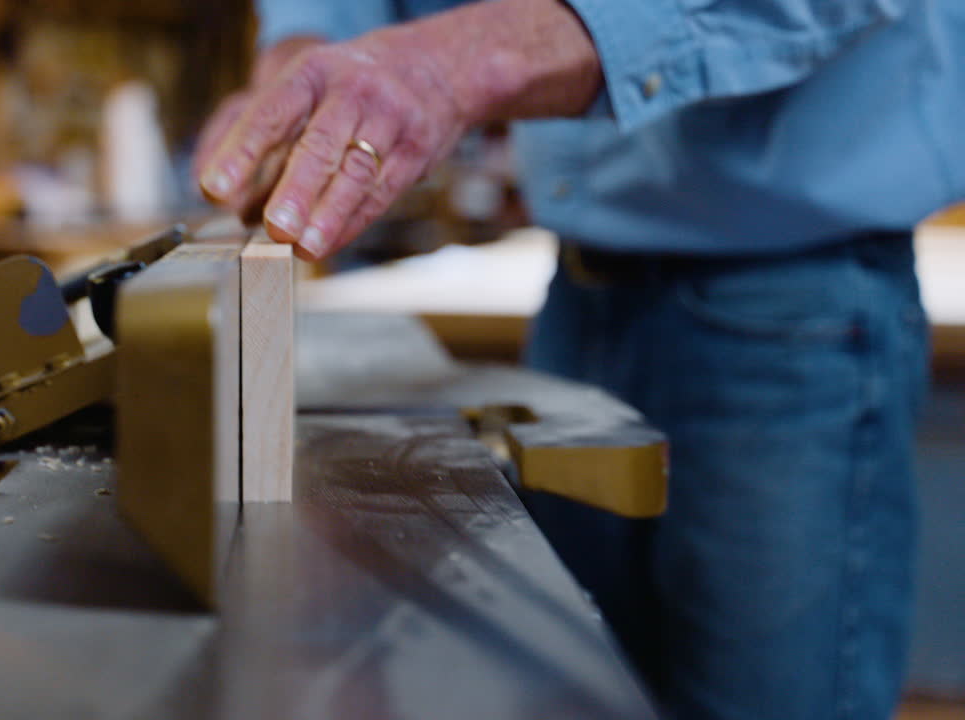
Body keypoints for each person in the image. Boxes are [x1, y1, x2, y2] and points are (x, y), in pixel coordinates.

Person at [194, 1, 963, 719]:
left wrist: (460, 63)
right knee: (571, 695)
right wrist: (309, 53)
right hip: (579, 291)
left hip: (791, 310)